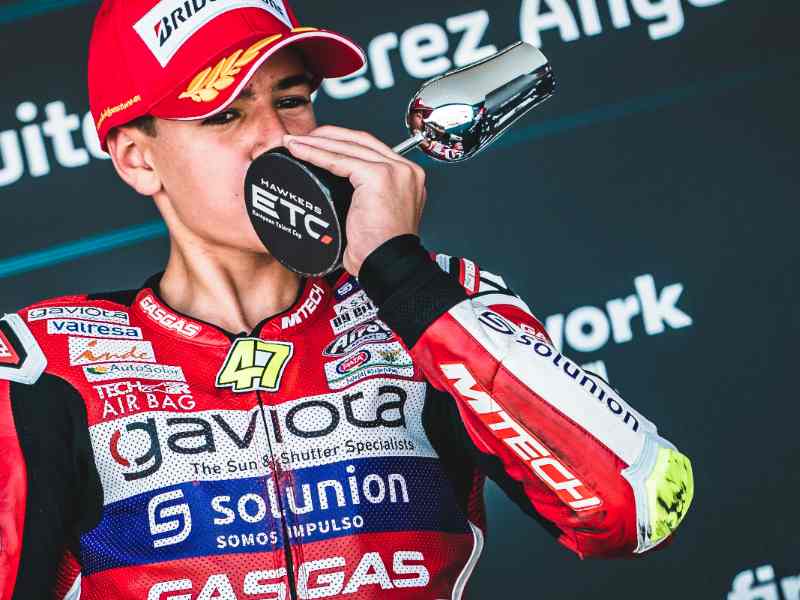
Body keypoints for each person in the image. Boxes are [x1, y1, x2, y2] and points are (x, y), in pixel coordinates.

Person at [0, 1, 694, 599]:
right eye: (224, 115)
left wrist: (401, 277)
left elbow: (637, 507)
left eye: (291, 100)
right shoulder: (43, 362)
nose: (274, 137)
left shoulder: (437, 300)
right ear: (137, 158)